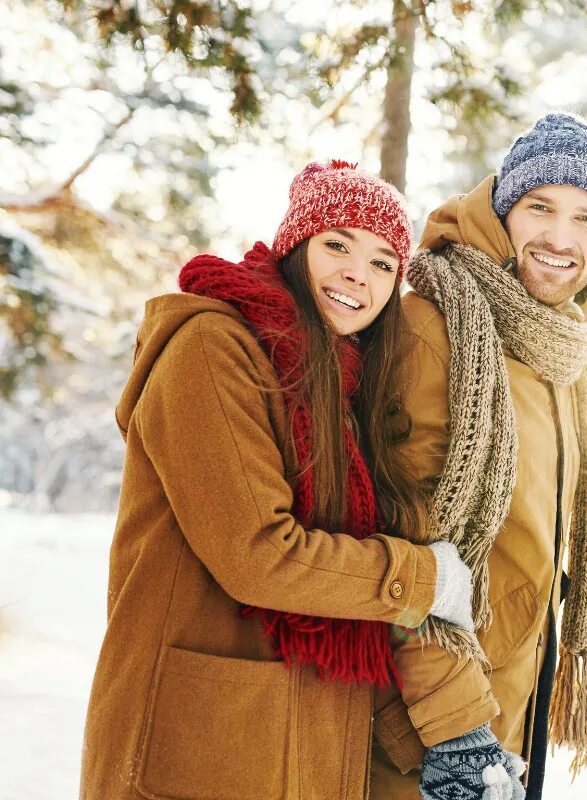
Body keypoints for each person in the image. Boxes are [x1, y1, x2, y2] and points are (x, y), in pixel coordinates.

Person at [79, 160, 510, 800]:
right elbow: (259, 553)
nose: (356, 275)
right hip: (192, 748)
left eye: (383, 263)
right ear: (294, 247)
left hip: (294, 740)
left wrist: (448, 734)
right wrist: (424, 577)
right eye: (337, 244)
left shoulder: (343, 384)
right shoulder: (211, 349)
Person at [368, 112, 587, 800]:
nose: (560, 238)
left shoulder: (565, 348)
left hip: (513, 709)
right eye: (540, 207)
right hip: (432, 734)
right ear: (504, 210)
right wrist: (456, 731)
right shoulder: (438, 326)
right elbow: (405, 540)